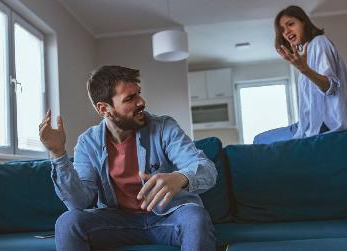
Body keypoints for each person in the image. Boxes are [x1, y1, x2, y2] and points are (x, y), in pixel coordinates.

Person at [38, 65, 218, 251]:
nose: (141, 102)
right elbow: (80, 203)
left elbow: (206, 169)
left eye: (138, 93)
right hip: (117, 222)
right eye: (130, 98)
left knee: (196, 217)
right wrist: (58, 154)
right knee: (68, 222)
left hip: (168, 217)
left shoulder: (164, 128)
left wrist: (181, 178)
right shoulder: (87, 143)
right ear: (104, 109)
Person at [254, 5, 347, 144]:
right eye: (282, 30)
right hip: (310, 125)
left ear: (303, 22)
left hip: (326, 125)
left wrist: (305, 70)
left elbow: (331, 86)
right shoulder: (306, 53)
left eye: (290, 24)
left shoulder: (320, 43)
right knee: (262, 141)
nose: (286, 32)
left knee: (261, 140)